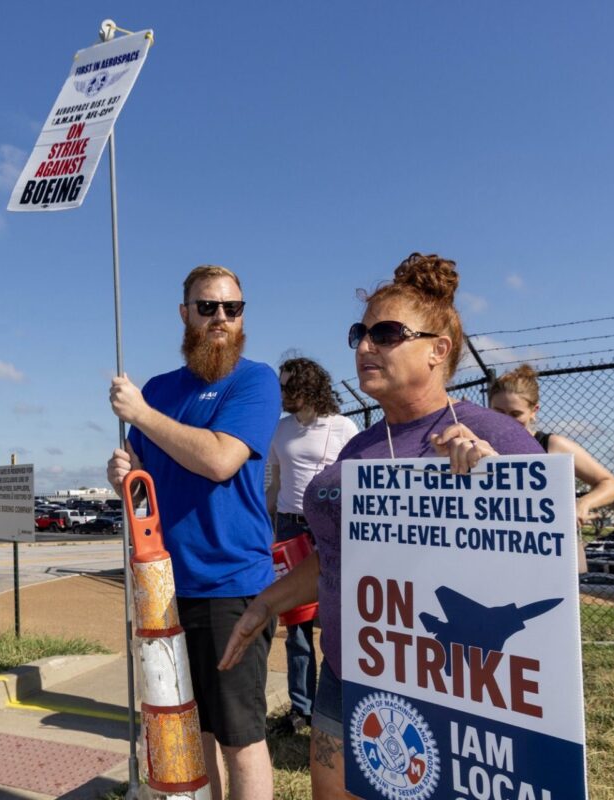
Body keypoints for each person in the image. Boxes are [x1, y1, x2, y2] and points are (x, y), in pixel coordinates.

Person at [218, 253, 544, 799]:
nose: (365, 346)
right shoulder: (361, 446)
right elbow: (342, 554)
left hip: (445, 686)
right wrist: (266, 603)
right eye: (360, 333)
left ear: (438, 350)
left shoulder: (492, 436)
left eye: (386, 333)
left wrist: (492, 482)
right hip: (349, 671)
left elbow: (547, 563)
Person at [108, 264, 280, 800]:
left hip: (231, 586)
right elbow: (144, 485)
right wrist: (123, 476)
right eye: (208, 308)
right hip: (165, 588)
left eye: (233, 307)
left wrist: (142, 413)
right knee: (190, 725)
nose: (221, 318)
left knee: (240, 737)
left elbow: (220, 460)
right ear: (186, 315)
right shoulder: (161, 388)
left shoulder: (255, 380)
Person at [264, 357, 358, 736]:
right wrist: (266, 529)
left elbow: (355, 481)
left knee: (337, 618)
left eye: (288, 386)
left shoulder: (343, 427)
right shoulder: (280, 430)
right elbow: (274, 484)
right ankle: (301, 709)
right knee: (296, 625)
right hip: (288, 526)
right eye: (280, 387)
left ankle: (339, 706)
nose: (282, 394)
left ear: (310, 386)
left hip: (330, 529)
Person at [489, 364, 614, 539]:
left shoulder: (552, 445)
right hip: (502, 542)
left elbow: (612, 484)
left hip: (553, 543)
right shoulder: (480, 444)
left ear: (533, 411)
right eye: (499, 412)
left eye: (515, 414)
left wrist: (583, 503)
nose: (506, 421)